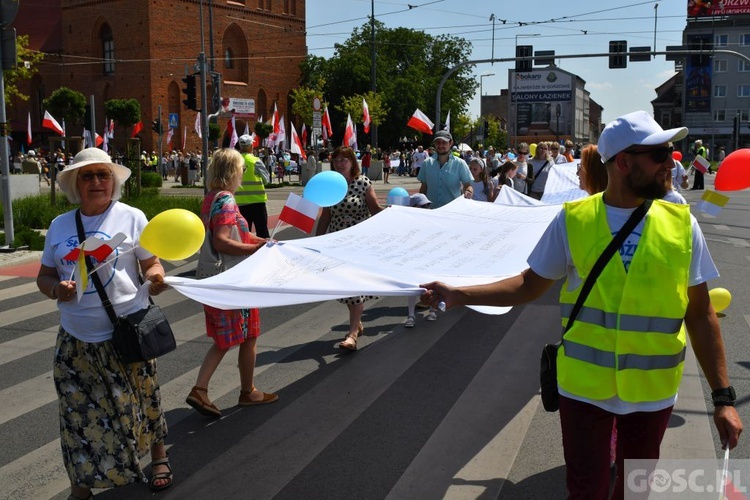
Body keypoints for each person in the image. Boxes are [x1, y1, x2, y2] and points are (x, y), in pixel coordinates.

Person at [421, 110, 742, 500]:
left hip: (652, 395)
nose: (670, 164)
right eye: (660, 155)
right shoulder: (572, 220)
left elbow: (700, 312)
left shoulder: (682, 224)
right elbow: (528, 284)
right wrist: (460, 293)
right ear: (623, 162)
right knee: (585, 491)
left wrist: (723, 398)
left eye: (670, 153)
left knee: (634, 492)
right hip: (583, 392)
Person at [36, 148, 173, 498]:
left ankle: (158, 457)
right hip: (75, 339)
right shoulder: (60, 225)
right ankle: (80, 484)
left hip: (127, 331)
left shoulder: (131, 217)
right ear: (74, 184)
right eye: (87, 176)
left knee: (144, 399)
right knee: (77, 415)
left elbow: (151, 263)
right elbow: (45, 275)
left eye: (103, 175)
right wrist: (56, 289)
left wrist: (156, 276)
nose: (97, 182)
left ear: (113, 180)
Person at [186, 148, 276, 418]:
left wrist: (265, 242)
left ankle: (241, 390)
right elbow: (223, 241)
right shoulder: (226, 199)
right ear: (233, 172)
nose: (244, 174)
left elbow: (240, 235)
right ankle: (215, 390)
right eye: (241, 169)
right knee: (238, 337)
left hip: (219, 276)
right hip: (232, 278)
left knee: (237, 336)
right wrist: (257, 251)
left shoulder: (211, 198)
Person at [315, 146, 383, 350]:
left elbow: (375, 210)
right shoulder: (330, 186)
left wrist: (397, 214)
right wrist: (316, 242)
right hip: (337, 240)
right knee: (344, 285)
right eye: (336, 160)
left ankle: (352, 334)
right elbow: (326, 216)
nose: (340, 163)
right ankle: (357, 322)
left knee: (354, 286)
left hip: (358, 241)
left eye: (344, 159)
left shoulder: (363, 183)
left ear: (353, 162)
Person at [417, 130, 473, 209]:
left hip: (452, 212)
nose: (440, 145)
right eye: (438, 142)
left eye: (444, 142)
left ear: (451, 143)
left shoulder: (460, 164)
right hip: (432, 212)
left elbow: (468, 185)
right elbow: (423, 187)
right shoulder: (426, 163)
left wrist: (468, 192)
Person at [404, 193, 432, 328]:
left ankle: (433, 310)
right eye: (423, 206)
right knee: (412, 287)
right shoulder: (407, 223)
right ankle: (411, 315)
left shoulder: (430, 221)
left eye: (428, 205)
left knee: (432, 285)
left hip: (429, 259)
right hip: (413, 260)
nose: (427, 208)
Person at [236, 134, 270, 238]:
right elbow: (267, 180)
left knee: (244, 234)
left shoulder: (233, 161)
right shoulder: (255, 161)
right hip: (257, 202)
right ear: (251, 146)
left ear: (240, 146)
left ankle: (245, 253)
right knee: (262, 232)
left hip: (240, 203)